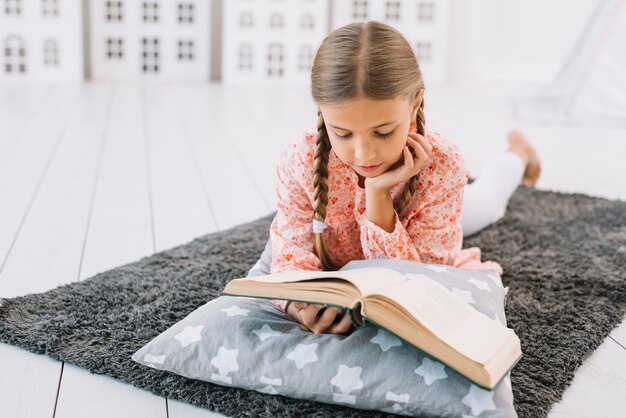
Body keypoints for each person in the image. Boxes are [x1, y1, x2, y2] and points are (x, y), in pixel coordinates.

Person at [251, 21, 541, 335]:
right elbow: (290, 253)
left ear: (415, 102)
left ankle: (519, 154)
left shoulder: (443, 166)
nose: (364, 155)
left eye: (384, 132)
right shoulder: (300, 159)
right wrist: (297, 304)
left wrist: (378, 196)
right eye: (343, 133)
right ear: (321, 110)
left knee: (489, 203)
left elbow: (417, 279)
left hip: (428, 213)